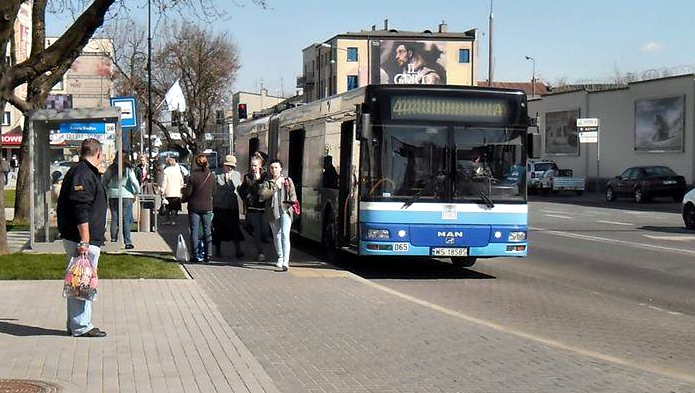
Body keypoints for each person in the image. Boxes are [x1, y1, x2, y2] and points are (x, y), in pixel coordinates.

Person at [56, 138, 108, 338]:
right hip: (83, 240)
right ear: (98, 154)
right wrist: (85, 240)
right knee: (82, 282)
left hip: (84, 239)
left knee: (79, 281)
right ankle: (81, 325)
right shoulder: (83, 174)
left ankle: (76, 323)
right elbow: (81, 208)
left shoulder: (82, 172)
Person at [260, 159, 297, 272]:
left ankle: (286, 261)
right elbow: (263, 195)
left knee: (285, 234)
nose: (274, 170)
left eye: (276, 167)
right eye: (272, 168)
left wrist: (288, 203)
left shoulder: (287, 180)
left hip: (285, 211)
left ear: (281, 168)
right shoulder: (268, 182)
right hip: (273, 212)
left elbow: (293, 195)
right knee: (277, 235)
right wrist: (275, 187)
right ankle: (280, 257)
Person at [102, 153, 140, 249]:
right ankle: (127, 242)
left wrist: (108, 190)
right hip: (126, 195)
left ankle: (114, 240)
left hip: (113, 195)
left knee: (114, 217)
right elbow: (134, 181)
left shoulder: (111, 168)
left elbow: (104, 181)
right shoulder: (128, 168)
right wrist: (137, 191)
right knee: (126, 219)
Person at [212, 155, 245, 259]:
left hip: (232, 207)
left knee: (235, 228)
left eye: (232, 166)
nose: (230, 168)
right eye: (228, 166)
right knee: (218, 229)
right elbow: (214, 190)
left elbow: (239, 189)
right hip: (220, 206)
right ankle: (218, 251)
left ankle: (238, 250)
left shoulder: (236, 175)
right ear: (224, 165)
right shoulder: (216, 174)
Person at [238, 155, 268, 262]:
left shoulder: (265, 176)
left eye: (255, 165)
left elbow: (266, 191)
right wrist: (247, 197)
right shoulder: (248, 177)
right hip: (253, 208)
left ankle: (261, 248)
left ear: (260, 166)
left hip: (264, 208)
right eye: (252, 165)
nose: (253, 167)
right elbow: (241, 191)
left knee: (265, 231)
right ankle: (260, 252)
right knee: (257, 231)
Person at [187, 154, 214, 263]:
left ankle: (195, 255)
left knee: (195, 231)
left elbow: (189, 192)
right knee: (207, 230)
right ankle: (208, 254)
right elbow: (214, 192)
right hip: (207, 206)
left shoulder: (193, 176)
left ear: (196, 163)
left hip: (194, 206)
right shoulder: (212, 176)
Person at [160, 157, 185, 226]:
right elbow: (181, 181)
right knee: (174, 207)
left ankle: (168, 220)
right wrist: (180, 188)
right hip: (176, 192)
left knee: (167, 207)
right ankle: (173, 220)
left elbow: (164, 182)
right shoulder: (178, 171)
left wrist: (162, 190)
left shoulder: (166, 171)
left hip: (168, 192)